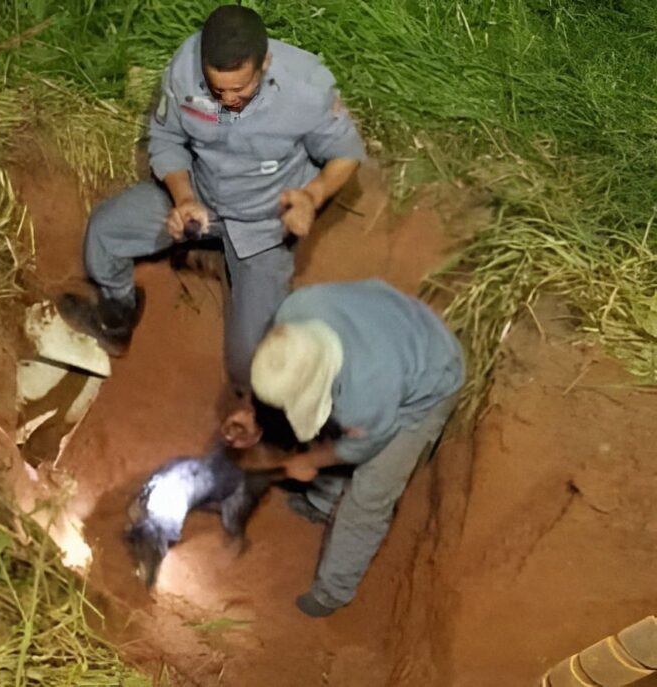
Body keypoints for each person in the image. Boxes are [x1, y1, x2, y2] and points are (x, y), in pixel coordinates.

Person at [58, 5, 366, 395]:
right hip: (202, 200)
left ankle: (240, 279)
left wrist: (312, 196)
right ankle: (118, 316)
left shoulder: (306, 87)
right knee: (105, 232)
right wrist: (183, 198)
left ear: (265, 62)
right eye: (217, 89)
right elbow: (166, 140)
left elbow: (346, 153)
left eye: (240, 89)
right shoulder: (185, 68)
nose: (228, 100)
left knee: (250, 367)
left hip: (264, 222)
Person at [221, 279, 465, 617]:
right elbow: (280, 369)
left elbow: (361, 448)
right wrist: (251, 411)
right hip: (392, 326)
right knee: (325, 426)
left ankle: (332, 592)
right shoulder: (292, 316)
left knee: (370, 495)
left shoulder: (366, 394)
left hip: (430, 378)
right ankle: (323, 504)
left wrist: (309, 461)